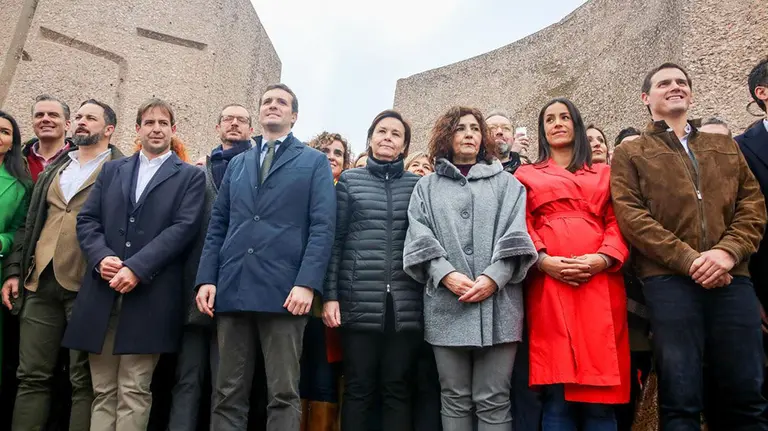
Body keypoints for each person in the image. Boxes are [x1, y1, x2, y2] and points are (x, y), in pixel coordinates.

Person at [611, 62, 768, 430]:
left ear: (691, 94)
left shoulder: (724, 146)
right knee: (680, 398)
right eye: (664, 83)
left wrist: (727, 252)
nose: (675, 87)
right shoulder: (632, 152)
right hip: (669, 282)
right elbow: (632, 216)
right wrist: (689, 259)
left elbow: (753, 204)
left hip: (733, 279)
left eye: (682, 82)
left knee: (747, 393)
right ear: (646, 98)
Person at [195, 84, 336, 431]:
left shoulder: (313, 162)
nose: (273, 106)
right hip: (234, 286)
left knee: (283, 394)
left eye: (281, 102)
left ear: (294, 115)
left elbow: (322, 227)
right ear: (260, 113)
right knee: (227, 393)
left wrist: (306, 283)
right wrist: (207, 278)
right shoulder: (240, 163)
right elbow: (219, 225)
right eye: (267, 101)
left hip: (287, 293)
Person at [61, 98, 205, 431]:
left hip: (150, 296)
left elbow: (183, 229)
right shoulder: (113, 170)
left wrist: (136, 267)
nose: (156, 128)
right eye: (149, 122)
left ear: (173, 129)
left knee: (134, 389)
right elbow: (88, 220)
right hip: (102, 292)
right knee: (102, 391)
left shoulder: (188, 177)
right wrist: (101, 257)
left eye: (163, 123)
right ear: (137, 129)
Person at [403, 106, 537, 431]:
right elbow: (419, 237)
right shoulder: (426, 187)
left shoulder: (508, 185)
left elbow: (516, 237)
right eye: (460, 128)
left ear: (483, 138)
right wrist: (445, 274)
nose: (468, 134)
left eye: (475, 129)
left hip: (499, 305)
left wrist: (494, 278)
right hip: (446, 305)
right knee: (454, 396)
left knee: (493, 397)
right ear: (447, 136)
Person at [1, 99, 125, 431]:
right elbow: (31, 223)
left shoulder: (122, 169)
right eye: (80, 117)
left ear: (109, 129)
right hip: (39, 282)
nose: (82, 122)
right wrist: (15, 270)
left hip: (89, 286)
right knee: (31, 377)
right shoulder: (58, 168)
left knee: (83, 381)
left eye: (91, 118)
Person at [516, 98, 630, 430]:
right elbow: (520, 225)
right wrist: (542, 260)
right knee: (557, 397)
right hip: (550, 285)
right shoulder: (525, 174)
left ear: (576, 124)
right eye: (549, 119)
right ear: (542, 130)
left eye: (565, 117)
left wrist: (603, 257)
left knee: (600, 400)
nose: (557, 123)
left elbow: (619, 221)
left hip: (599, 284)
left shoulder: (605, 173)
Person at [321, 110, 422, 431]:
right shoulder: (350, 181)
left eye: (396, 134)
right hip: (357, 303)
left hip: (405, 306)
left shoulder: (418, 186)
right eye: (382, 131)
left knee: (396, 389)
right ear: (370, 139)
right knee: (358, 388)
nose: (387, 138)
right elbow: (335, 242)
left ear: (404, 146)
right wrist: (331, 295)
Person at [167, 104, 256, 431]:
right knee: (186, 380)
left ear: (250, 129)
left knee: (228, 387)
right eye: (228, 119)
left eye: (242, 120)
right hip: (194, 288)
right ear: (218, 126)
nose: (234, 123)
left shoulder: (259, 170)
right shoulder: (195, 171)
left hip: (236, 292)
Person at [299, 130, 350, 430]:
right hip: (291, 296)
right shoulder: (300, 188)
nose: (331, 157)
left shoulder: (346, 191)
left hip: (326, 302)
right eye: (325, 150)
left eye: (338, 153)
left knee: (323, 377)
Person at [0, 111, 32, 386]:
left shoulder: (21, 184)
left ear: (12, 142)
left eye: (4, 131)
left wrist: (2, 241)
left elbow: (19, 229)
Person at [23, 95, 73, 182]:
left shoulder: (79, 160)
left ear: (67, 125)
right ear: (33, 123)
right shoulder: (16, 160)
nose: (45, 119)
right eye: (39, 115)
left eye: (53, 115)